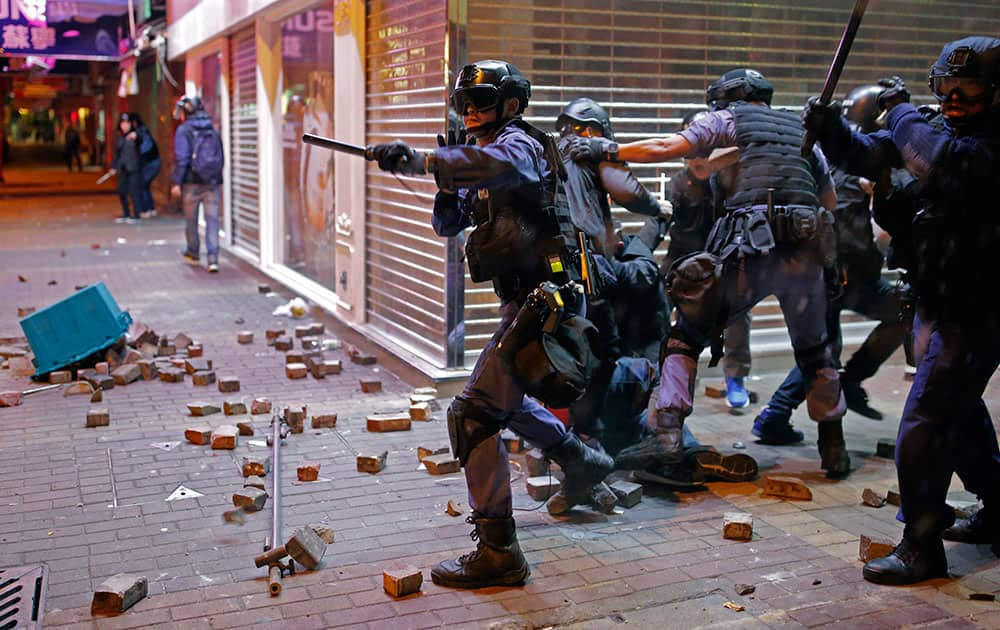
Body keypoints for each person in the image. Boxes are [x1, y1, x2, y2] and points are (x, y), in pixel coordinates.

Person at [366, 60, 615, 589]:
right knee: (506, 400)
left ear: (512, 103)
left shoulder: (518, 144)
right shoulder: (479, 151)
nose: (473, 109)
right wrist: (444, 179)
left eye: (484, 100)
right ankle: (582, 461)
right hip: (525, 302)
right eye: (466, 102)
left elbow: (502, 166)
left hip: (547, 301)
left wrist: (426, 160)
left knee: (475, 414)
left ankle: (500, 553)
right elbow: (448, 223)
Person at [566, 68, 849, 478]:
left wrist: (604, 149)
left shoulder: (728, 119)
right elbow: (829, 199)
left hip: (752, 247)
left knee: (685, 338)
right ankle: (834, 446)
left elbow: (668, 146)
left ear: (725, 99)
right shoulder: (800, 130)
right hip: (803, 254)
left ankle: (667, 434)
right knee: (815, 352)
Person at [802, 36, 1000, 585]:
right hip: (937, 296)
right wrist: (832, 129)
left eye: (970, 89)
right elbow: (874, 153)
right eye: (945, 87)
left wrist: (902, 108)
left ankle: (920, 543)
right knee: (958, 414)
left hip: (978, 305)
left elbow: (931, 157)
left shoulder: (979, 145)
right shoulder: (941, 129)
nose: (954, 99)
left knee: (927, 418)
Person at [754, 83, 909, 443]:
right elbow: (838, 216)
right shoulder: (853, 158)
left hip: (847, 273)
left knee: (894, 318)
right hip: (837, 274)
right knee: (823, 353)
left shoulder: (844, 150)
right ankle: (786, 419)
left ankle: (843, 385)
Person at [658, 110, 754, 410]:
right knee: (657, 305)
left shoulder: (730, 182)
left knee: (739, 311)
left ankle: (736, 377)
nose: (698, 158)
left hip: (721, 261)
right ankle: (661, 378)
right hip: (682, 261)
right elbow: (661, 224)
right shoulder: (676, 185)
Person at [171, 95, 224, 273]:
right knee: (212, 220)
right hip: (212, 182)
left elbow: (182, 158)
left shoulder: (184, 130)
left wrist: (177, 182)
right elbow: (221, 155)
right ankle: (213, 259)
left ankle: (193, 252)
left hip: (191, 182)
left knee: (191, 220)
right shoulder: (213, 129)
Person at [110, 113, 143, 224]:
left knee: (134, 191)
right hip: (123, 168)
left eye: (127, 123)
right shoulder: (120, 139)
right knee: (122, 191)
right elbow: (117, 155)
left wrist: (136, 135)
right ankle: (126, 213)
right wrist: (114, 167)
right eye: (123, 123)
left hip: (134, 168)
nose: (125, 125)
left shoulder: (136, 135)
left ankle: (137, 214)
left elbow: (141, 137)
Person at [130, 113, 161, 219]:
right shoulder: (144, 130)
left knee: (142, 185)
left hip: (150, 163)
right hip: (153, 161)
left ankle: (146, 209)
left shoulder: (140, 132)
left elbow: (144, 148)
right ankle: (151, 208)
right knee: (145, 186)